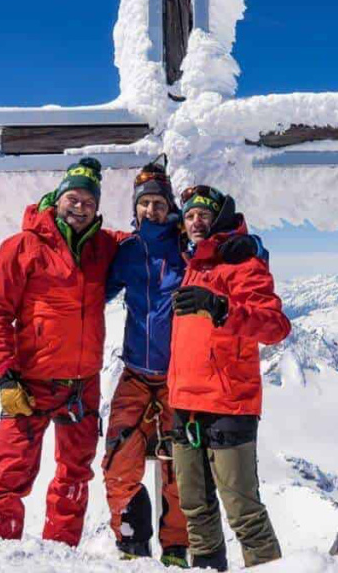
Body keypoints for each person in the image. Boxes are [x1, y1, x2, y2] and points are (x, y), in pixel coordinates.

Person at [102, 157, 265, 567]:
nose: (151, 210)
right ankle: (131, 539)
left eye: (159, 203)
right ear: (135, 208)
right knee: (118, 456)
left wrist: (255, 245)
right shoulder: (126, 250)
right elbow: (94, 279)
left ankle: (176, 549)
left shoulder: (185, 249)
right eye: (144, 204)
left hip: (178, 379)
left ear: (169, 208)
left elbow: (223, 250)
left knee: (178, 471)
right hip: (135, 372)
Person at [0, 157, 128, 546]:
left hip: (83, 383)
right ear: (57, 199)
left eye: (88, 202)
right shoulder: (21, 246)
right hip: (30, 380)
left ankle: (60, 555)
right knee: (10, 474)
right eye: (73, 198)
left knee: (75, 475)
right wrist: (6, 376)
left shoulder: (103, 246)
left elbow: (146, 243)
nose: (80, 207)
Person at [168, 186, 291, 570]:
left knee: (244, 515)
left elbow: (275, 326)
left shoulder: (243, 264)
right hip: (184, 402)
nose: (196, 222)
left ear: (219, 219)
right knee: (195, 510)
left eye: (204, 215)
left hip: (229, 403)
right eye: (189, 216)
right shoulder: (191, 264)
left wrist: (222, 308)